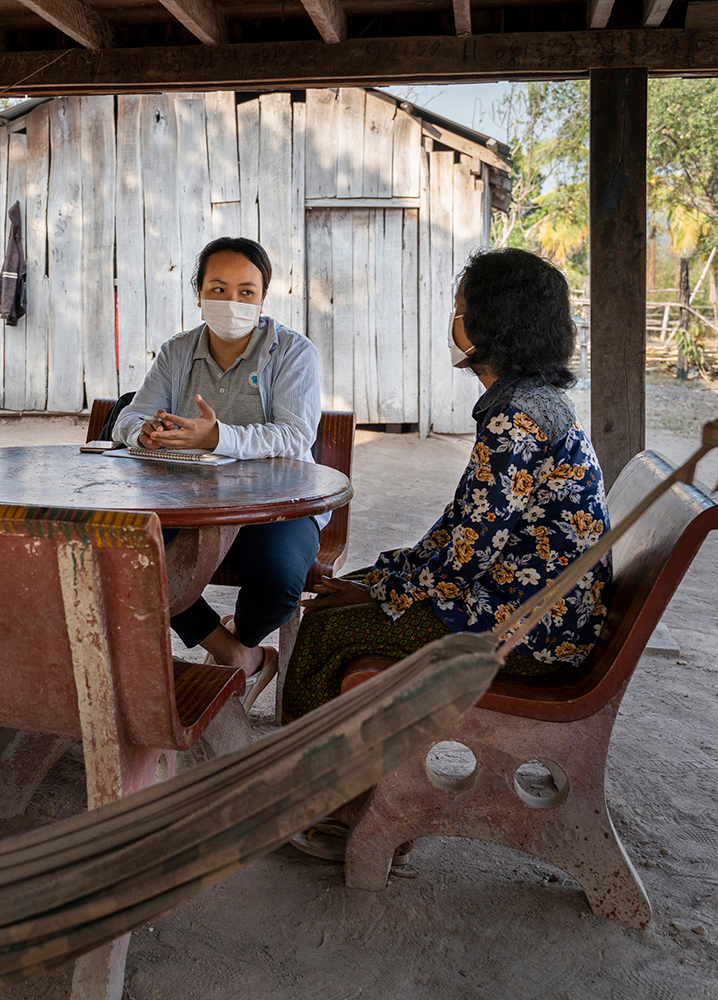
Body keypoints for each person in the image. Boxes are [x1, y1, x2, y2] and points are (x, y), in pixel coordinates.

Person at [284, 247, 611, 860]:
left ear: (493, 324)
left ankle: (327, 810)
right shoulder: (527, 402)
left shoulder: (518, 418)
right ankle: (344, 795)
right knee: (346, 598)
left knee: (324, 632)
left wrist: (381, 590)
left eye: (461, 308)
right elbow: (464, 533)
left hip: (529, 632)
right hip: (533, 610)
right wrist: (385, 576)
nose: (452, 319)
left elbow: (464, 558)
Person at [112, 237, 322, 695]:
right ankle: (233, 653)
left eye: (247, 291)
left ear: (264, 296)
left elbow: (295, 436)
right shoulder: (177, 352)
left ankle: (244, 638)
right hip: (187, 501)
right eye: (219, 288)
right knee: (131, 558)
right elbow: (130, 415)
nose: (232, 301)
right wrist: (142, 431)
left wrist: (218, 436)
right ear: (200, 293)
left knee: (279, 580)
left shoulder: (292, 352)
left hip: (277, 503)